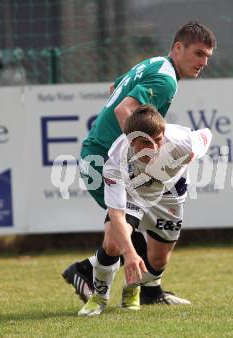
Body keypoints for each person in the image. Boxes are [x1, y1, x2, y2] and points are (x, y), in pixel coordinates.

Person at [62, 21, 216, 306]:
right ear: (178, 47)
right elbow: (124, 108)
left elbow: (115, 87)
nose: (204, 62)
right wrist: (139, 152)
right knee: (121, 228)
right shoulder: (166, 80)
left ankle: (150, 291)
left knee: (150, 237)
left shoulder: (156, 64)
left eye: (207, 56)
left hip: (103, 153)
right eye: (198, 54)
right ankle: (83, 270)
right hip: (104, 158)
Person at [78, 104, 212, 316]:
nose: (153, 149)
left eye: (157, 140)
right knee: (113, 242)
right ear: (131, 141)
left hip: (170, 194)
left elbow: (206, 135)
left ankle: (133, 287)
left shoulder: (184, 142)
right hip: (135, 195)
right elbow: (116, 214)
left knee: (158, 261)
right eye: (143, 143)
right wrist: (129, 254)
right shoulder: (116, 159)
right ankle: (99, 297)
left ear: (163, 134)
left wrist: (188, 159)